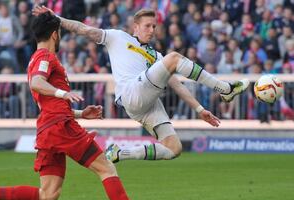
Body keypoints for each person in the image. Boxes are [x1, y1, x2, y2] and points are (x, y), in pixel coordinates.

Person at [33, 7, 248, 163]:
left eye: (154, 26)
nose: (152, 30)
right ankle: (225, 89)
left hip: (146, 100)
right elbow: (84, 29)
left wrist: (199, 109)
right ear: (135, 27)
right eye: (147, 26)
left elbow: (176, 84)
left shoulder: (157, 56)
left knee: (174, 148)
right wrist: (57, 18)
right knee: (173, 58)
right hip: (132, 92)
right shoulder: (118, 37)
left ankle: (120, 153)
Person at [0, 12, 130, 200]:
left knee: (48, 196)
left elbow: (50, 103)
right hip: (59, 127)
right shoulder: (46, 56)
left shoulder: (34, 60)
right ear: (55, 34)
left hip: (48, 128)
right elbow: (37, 83)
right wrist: (63, 94)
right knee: (106, 168)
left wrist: (81, 113)